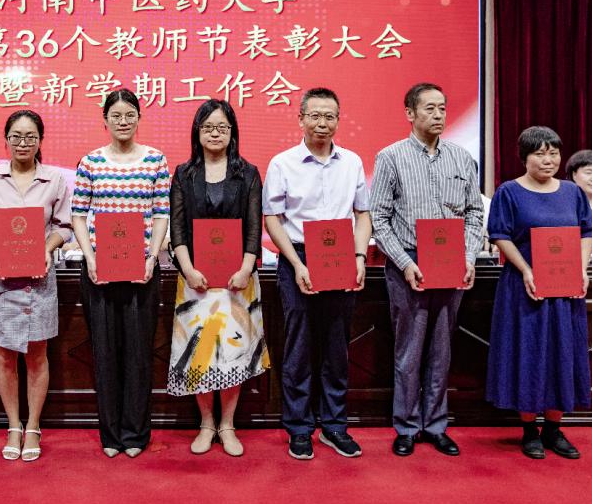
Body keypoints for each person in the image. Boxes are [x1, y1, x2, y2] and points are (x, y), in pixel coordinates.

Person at [371, 82, 484, 457]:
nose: (438, 115)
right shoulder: (391, 157)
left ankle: (436, 425)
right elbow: (379, 219)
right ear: (410, 113)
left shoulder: (462, 157)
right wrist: (405, 264)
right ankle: (406, 426)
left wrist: (468, 257)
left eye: (442, 108)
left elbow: (474, 214)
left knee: (441, 350)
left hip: (452, 264)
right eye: (430, 108)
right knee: (409, 351)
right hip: (409, 263)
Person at [262, 87, 371, 460]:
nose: (322, 123)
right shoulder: (283, 163)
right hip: (299, 257)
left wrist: (359, 256)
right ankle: (299, 427)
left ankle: (335, 425)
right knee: (299, 346)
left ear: (338, 120)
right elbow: (273, 218)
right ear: (301, 119)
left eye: (329, 116)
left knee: (337, 346)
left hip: (341, 256)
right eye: (315, 115)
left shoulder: (351, 162)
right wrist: (296, 264)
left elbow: (363, 213)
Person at [487, 127, 592, 459]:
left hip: (565, 291)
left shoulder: (572, 192)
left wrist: (581, 269)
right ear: (525, 157)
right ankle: (529, 431)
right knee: (528, 353)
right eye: (540, 153)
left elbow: (587, 231)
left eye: (553, 153)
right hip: (525, 288)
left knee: (562, 352)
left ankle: (553, 428)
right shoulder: (509, 192)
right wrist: (526, 270)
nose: (548, 160)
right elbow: (499, 234)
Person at [71, 89, 170, 458]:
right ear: (105, 120)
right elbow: (78, 214)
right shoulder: (91, 161)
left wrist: (152, 258)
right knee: (105, 352)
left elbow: (161, 213)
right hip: (99, 271)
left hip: (142, 270)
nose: (123, 121)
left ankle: (135, 434)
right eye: (116, 115)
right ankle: (111, 435)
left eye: (130, 115)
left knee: (139, 353)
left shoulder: (155, 160)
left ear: (139, 118)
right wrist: (90, 257)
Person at [0, 110, 72, 462]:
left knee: (38, 355)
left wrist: (47, 247)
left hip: (39, 278)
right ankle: (14, 424)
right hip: (1, 276)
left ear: (40, 140)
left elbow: (64, 226)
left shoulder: (54, 180)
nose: (23, 143)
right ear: (6, 140)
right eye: (16, 136)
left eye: (30, 137)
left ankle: (34, 426)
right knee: (4, 354)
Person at [167, 99, 268, 457]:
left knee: (233, 354)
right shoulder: (184, 174)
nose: (214, 133)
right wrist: (188, 269)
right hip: (195, 281)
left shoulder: (248, 173)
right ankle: (206, 423)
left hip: (237, 281)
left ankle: (227, 424)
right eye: (208, 127)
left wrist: (245, 268)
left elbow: (254, 227)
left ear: (232, 132)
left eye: (221, 127)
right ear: (197, 131)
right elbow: (177, 228)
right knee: (200, 353)